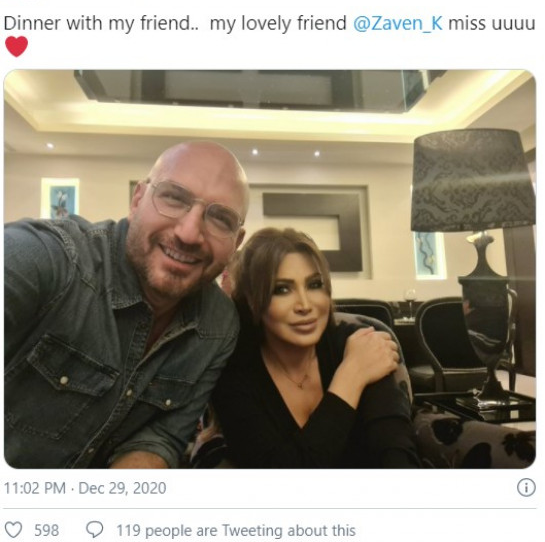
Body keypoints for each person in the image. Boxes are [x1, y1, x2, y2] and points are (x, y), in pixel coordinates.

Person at [4, 142, 249, 468]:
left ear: (236, 243)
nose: (189, 234)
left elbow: (161, 436)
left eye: (220, 219)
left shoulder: (219, 326)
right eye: (174, 199)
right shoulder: (53, 259)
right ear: (137, 200)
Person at [212, 228, 420, 468]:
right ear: (251, 300)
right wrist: (351, 376)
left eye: (314, 284)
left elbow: (396, 452)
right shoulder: (234, 371)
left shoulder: (360, 343)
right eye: (282, 289)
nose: (305, 305)